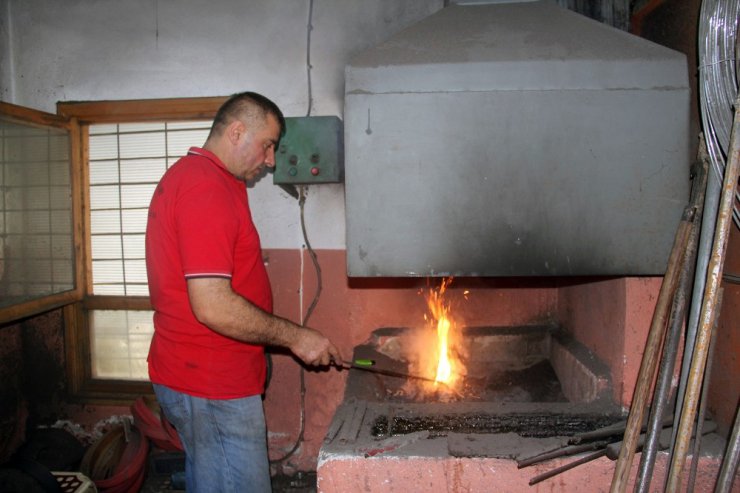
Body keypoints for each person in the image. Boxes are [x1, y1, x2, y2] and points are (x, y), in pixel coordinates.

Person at [145, 91, 342, 493]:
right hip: (211, 385)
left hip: (206, 377)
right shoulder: (205, 189)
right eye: (267, 144)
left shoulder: (210, 180)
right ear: (236, 131)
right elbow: (213, 306)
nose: (270, 160)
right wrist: (297, 337)